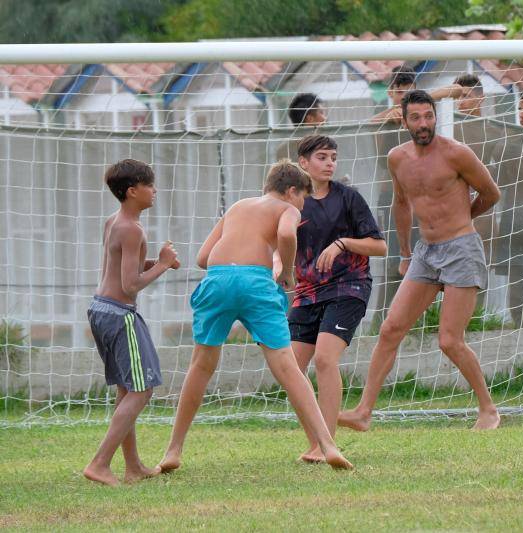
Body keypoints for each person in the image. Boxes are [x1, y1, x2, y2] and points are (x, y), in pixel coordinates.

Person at [159, 160, 353, 472]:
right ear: (291, 192)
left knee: (201, 365)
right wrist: (287, 272)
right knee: (289, 369)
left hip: (218, 280)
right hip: (256, 284)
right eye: (303, 198)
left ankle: (173, 450)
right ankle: (327, 445)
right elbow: (288, 236)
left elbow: (202, 258)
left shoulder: (237, 207)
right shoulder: (287, 209)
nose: (303, 206)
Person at [339, 90, 502, 431]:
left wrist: (462, 220)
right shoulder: (397, 158)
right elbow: (401, 203)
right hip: (424, 253)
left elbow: (491, 193)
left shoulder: (457, 153)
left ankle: (488, 409)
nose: (424, 123)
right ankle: (363, 412)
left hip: (461, 250)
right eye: (416, 117)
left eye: (429, 116)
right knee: (390, 329)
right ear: (404, 120)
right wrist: (404, 252)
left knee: (449, 340)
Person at [288, 135, 386, 463]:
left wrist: (343, 242)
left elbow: (379, 245)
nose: (330, 163)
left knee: (325, 359)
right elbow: (277, 241)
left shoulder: (348, 198)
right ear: (303, 162)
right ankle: (316, 440)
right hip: (306, 292)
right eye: (322, 157)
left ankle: (326, 445)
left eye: (333, 157)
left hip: (349, 286)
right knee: (290, 367)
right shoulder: (292, 201)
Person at [84, 159, 179, 486]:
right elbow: (130, 285)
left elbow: (125, 266)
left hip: (100, 309)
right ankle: (99, 463)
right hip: (119, 313)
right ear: (132, 191)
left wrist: (156, 262)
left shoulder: (115, 221)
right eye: (149, 185)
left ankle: (134, 466)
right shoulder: (132, 228)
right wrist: (164, 264)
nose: (155, 190)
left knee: (127, 388)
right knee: (142, 388)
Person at [371, 65, 472, 125]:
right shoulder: (379, 118)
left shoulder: (423, 107)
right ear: (390, 92)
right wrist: (388, 121)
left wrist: (421, 99)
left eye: (409, 92)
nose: (404, 97)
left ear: (415, 90)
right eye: (399, 92)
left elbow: (457, 89)